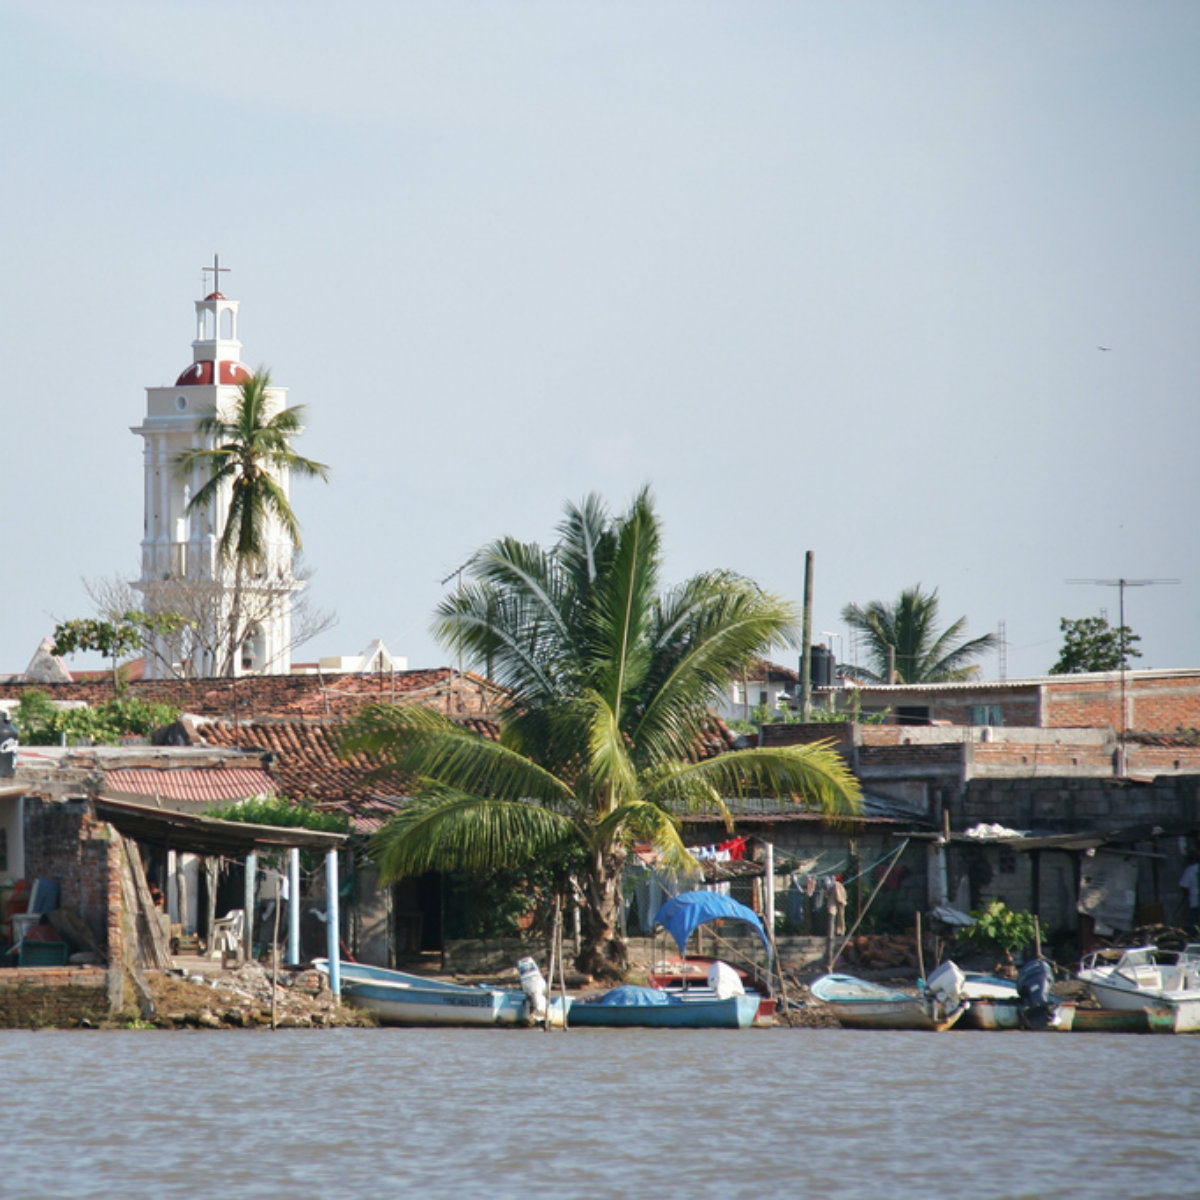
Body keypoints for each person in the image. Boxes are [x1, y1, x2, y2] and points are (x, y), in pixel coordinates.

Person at [1180, 850, 1199, 937]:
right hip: (1195, 902)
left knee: (1194, 924)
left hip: (1194, 902)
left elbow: (1184, 886)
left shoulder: (1190, 870)